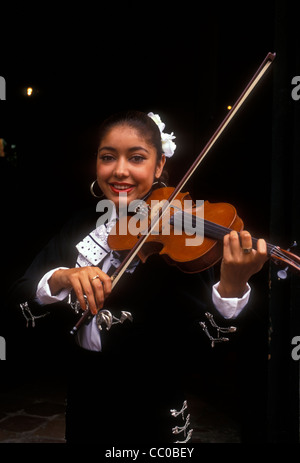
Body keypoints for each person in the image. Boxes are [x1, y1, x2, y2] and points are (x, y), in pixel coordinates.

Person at [10, 110, 268, 444]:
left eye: (136, 158)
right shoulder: (78, 225)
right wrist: (60, 278)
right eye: (107, 157)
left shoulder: (183, 236)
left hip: (154, 424)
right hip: (86, 410)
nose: (120, 170)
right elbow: (17, 300)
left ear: (159, 166)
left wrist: (233, 285)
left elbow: (209, 352)